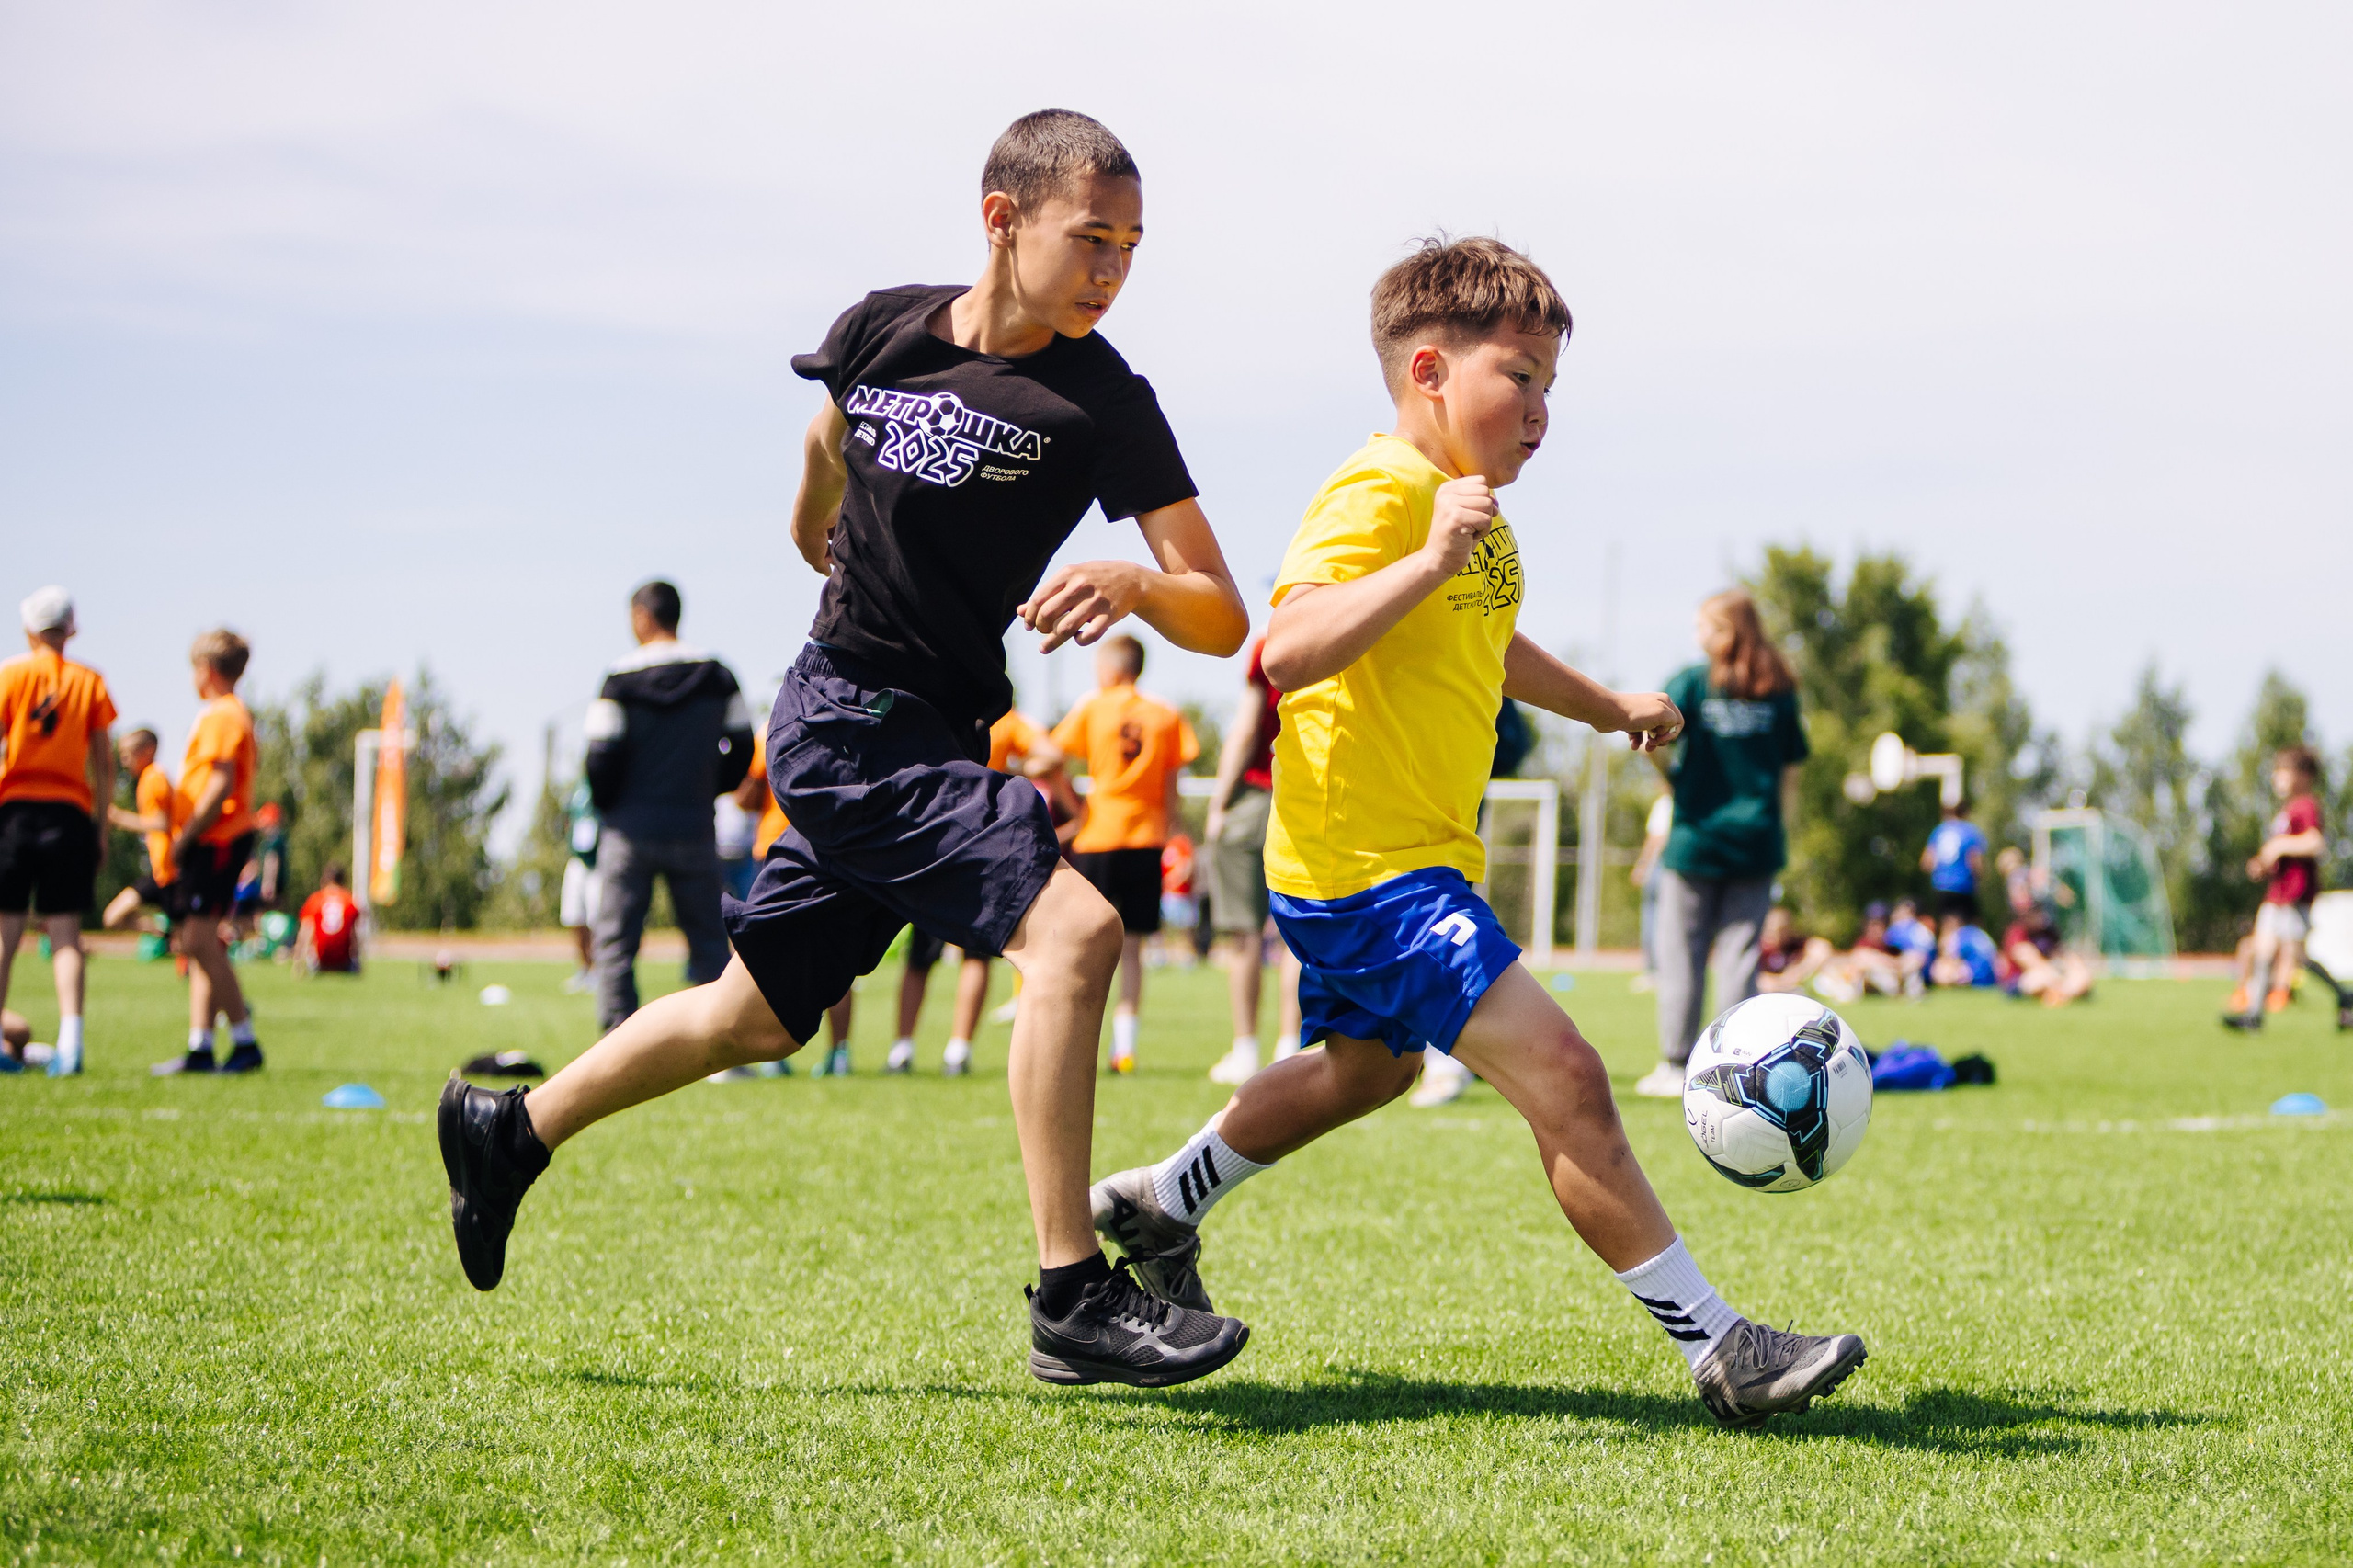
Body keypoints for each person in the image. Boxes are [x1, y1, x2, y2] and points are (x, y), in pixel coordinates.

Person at [438, 110, 1255, 1390]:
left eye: (1132, 246)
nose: (1112, 269)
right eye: (1089, 238)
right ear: (1001, 218)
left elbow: (1218, 605)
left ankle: (510, 1128)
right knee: (1080, 932)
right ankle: (1070, 1295)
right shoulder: (881, 327)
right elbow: (828, 438)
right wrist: (812, 517)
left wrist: (1135, 585)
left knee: (755, 1018)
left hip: (932, 728)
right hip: (839, 713)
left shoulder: (1101, 398)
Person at [1086, 236, 1864, 1426]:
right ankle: (1723, 1346)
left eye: (1553, 384)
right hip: (1366, 868)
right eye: (1524, 378)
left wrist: (1606, 707)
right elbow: (1286, 648)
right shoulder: (1386, 490)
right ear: (1433, 370)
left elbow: (1487, 644)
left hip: (1402, 861)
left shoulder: (1472, 518)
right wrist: (1433, 550)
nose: (1542, 410)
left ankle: (1165, 1199)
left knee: (1370, 1069)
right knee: (1567, 1071)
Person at [1635, 589, 1810, 1098]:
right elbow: (1790, 772)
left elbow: (1650, 731)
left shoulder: (1691, 683)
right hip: (1757, 841)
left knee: (1680, 954)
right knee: (1739, 958)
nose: (1698, 638)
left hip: (1695, 839)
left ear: (1731, 631)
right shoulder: (1779, 689)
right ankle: (1732, 1068)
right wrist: (1781, 830)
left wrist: (1669, 776)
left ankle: (1674, 1064)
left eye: (1706, 627)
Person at [580, 579, 755, 1034]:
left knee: (616, 943)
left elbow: (600, 757)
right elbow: (742, 745)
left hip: (628, 830)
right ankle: (723, 1050)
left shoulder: (618, 680)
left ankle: (616, 1046)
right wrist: (710, 788)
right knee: (710, 944)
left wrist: (611, 805)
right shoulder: (717, 674)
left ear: (641, 617)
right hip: (694, 825)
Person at [886, 708, 1069, 1075]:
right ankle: (959, 1049)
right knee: (974, 955)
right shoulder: (1006, 720)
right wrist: (1015, 771)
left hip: (934, 837)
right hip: (981, 838)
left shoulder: (936, 706)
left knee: (920, 954)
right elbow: (1052, 753)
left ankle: (902, 1049)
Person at [1050, 634, 1199, 1074]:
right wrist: (1169, 829)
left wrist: (1076, 808)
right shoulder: (1166, 713)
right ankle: (1125, 1048)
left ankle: (1076, 1043)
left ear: (1111, 670)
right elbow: (1174, 781)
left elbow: (1047, 760)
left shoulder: (1094, 706)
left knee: (1080, 944)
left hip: (1099, 837)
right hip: (1146, 839)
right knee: (1132, 948)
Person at [0, 587, 117, 1078]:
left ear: (30, 630)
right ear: (70, 629)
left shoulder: (10, 674)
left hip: (15, 809)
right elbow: (104, 764)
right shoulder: (89, 682)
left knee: (5, 929)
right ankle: (71, 1042)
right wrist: (101, 825)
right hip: (69, 811)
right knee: (65, 930)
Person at [153, 630, 264, 1075]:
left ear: (208, 670)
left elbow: (219, 784)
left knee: (198, 939)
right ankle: (201, 1045)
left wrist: (185, 837)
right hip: (214, 839)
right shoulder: (226, 714)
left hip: (215, 839)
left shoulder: (222, 714)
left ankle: (244, 1040)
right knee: (197, 944)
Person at [1200, 637, 1302, 1086]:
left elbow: (1245, 729)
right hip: (1310, 803)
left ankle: (1245, 1048)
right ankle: (1290, 1044)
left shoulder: (1272, 643)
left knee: (1243, 933)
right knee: (1294, 936)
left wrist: (1218, 805)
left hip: (1260, 799)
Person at [2224, 746, 2327, 1031]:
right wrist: (2264, 862)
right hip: (2277, 894)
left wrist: (2279, 846)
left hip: (2295, 895)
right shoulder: (2285, 811)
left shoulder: (2306, 805)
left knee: (2298, 959)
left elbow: (2315, 842)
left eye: (2284, 771)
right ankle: (2254, 1014)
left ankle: (2344, 995)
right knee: (2263, 950)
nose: (2277, 778)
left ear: (2304, 776)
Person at [102, 728, 183, 932]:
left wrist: (118, 817)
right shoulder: (148, 778)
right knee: (112, 917)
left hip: (171, 870)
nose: (124, 762)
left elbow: (161, 823)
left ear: (147, 750)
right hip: (159, 870)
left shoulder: (154, 777)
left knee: (192, 942)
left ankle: (173, 935)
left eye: (127, 755)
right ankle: (166, 932)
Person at [1628, 784, 1673, 994]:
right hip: (1676, 868)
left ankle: (1655, 971)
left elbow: (1656, 838)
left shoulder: (1666, 803)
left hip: (1664, 867)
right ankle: (1665, 971)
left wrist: (1643, 866)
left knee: (1654, 918)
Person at [557, 778, 600, 994]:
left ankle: (598, 972)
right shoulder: (577, 788)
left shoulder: (604, 786)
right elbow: (567, 819)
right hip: (577, 860)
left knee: (597, 921)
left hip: (599, 862)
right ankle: (584, 970)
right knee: (575, 917)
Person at [1919, 799, 1986, 925]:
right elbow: (1975, 863)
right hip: (1963, 887)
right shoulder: (1970, 832)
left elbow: (1926, 863)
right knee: (1971, 925)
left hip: (1941, 887)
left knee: (1947, 926)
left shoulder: (1939, 831)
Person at [294, 862, 362, 974]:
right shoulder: (350, 900)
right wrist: (358, 962)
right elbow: (353, 934)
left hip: (320, 961)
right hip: (343, 962)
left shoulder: (316, 899)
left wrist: (298, 962)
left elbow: (305, 931)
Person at [1753, 907, 1835, 994]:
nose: (1775, 936)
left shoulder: (1792, 945)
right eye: (1771, 930)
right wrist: (1781, 982)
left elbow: (1822, 948)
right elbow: (1761, 981)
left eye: (1782, 931)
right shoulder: (1758, 948)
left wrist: (1797, 972)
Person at [1928, 914, 2000, 988]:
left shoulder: (1957, 936)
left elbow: (1950, 959)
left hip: (1978, 975)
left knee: (1940, 970)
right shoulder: (1973, 931)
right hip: (1993, 975)